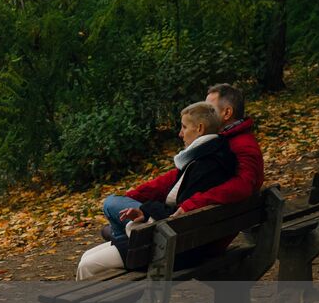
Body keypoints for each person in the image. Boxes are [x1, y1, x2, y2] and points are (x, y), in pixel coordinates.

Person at [75, 101, 238, 279]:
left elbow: (179, 213)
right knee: (86, 257)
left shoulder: (206, 165)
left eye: (184, 127)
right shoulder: (214, 155)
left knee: (87, 265)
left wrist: (146, 209)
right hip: (182, 240)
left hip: (176, 249)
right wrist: (145, 212)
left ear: (199, 128)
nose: (180, 133)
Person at [98, 82, 265, 243]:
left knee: (111, 204)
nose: (205, 111)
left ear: (227, 113)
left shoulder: (238, 145)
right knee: (120, 209)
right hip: (208, 226)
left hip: (201, 234)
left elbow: (243, 186)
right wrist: (137, 194)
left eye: (210, 108)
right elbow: (180, 175)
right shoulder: (224, 141)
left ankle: (122, 240)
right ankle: (123, 238)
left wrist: (192, 204)